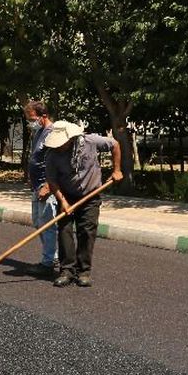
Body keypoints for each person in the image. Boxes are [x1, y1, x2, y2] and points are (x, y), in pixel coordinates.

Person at [43, 121, 123, 287]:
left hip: (90, 196)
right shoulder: (52, 155)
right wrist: (63, 201)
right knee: (64, 231)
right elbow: (52, 181)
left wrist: (117, 170)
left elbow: (115, 144)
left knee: (86, 231)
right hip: (66, 195)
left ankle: (83, 271)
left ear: (70, 139)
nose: (58, 146)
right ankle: (67, 271)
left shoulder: (91, 142)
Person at [24, 100, 58, 276]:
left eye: (32, 118)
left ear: (43, 116)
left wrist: (49, 185)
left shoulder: (52, 134)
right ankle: (51, 257)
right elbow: (36, 157)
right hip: (36, 185)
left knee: (47, 224)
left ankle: (49, 262)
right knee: (38, 222)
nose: (30, 122)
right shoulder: (39, 132)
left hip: (47, 186)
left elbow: (54, 162)